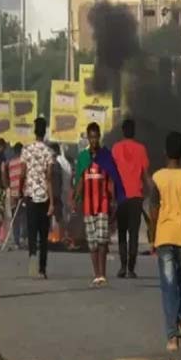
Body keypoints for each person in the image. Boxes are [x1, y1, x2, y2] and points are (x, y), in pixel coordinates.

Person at [149, 131, 181, 352]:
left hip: (164, 235)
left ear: (165, 152)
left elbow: (153, 210)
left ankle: (172, 337)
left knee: (169, 286)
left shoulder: (157, 177)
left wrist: (152, 237)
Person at [73, 122, 125, 288]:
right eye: (91, 137)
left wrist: (113, 200)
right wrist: (75, 199)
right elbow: (80, 180)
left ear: (99, 137)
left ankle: (102, 274)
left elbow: (111, 179)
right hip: (88, 205)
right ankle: (96, 274)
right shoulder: (83, 157)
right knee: (92, 242)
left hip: (103, 203)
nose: (94, 140)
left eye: (96, 137)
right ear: (88, 138)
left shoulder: (106, 156)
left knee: (102, 240)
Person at [112, 119, 150, 278]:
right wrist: (148, 194)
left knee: (122, 232)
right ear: (133, 131)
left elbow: (112, 174)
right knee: (133, 233)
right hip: (136, 197)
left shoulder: (115, 149)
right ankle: (131, 268)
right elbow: (145, 174)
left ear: (123, 131)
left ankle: (122, 266)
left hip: (121, 197)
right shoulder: (141, 149)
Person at [20, 118, 55, 279]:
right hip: (44, 197)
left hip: (31, 196)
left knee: (32, 234)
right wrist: (52, 203)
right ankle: (42, 268)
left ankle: (32, 267)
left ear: (35, 131)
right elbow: (49, 178)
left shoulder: (26, 150)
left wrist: (21, 190)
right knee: (44, 236)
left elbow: (22, 173)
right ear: (45, 131)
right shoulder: (49, 152)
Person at [6, 142, 26, 249]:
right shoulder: (24, 162)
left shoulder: (11, 163)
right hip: (23, 191)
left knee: (15, 218)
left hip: (13, 191)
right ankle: (23, 237)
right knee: (24, 216)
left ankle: (17, 240)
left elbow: (7, 175)